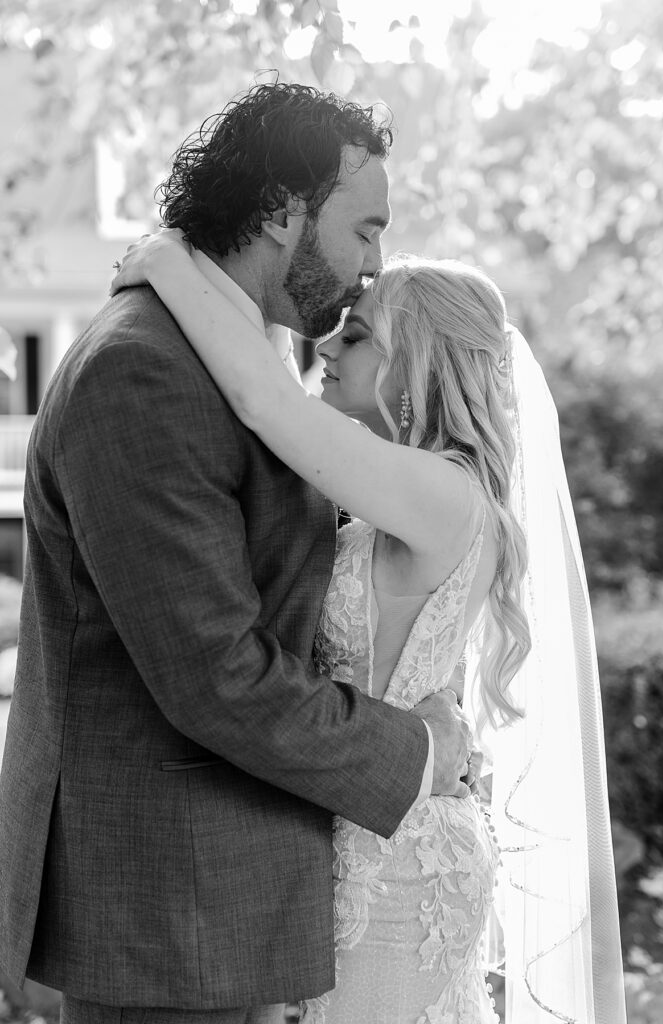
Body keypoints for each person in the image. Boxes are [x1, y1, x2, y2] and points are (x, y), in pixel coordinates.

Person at [0, 84, 474, 1024]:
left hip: (243, 894)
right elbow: (215, 673)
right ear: (279, 213)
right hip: (171, 909)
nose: (373, 267)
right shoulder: (141, 369)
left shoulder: (243, 354)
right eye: (365, 229)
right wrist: (418, 753)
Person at [111, 235, 628, 1024]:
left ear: (417, 365)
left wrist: (167, 268)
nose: (327, 343)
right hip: (365, 825)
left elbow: (265, 401)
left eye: (357, 336)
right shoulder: (404, 488)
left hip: (397, 869)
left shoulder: (443, 495)